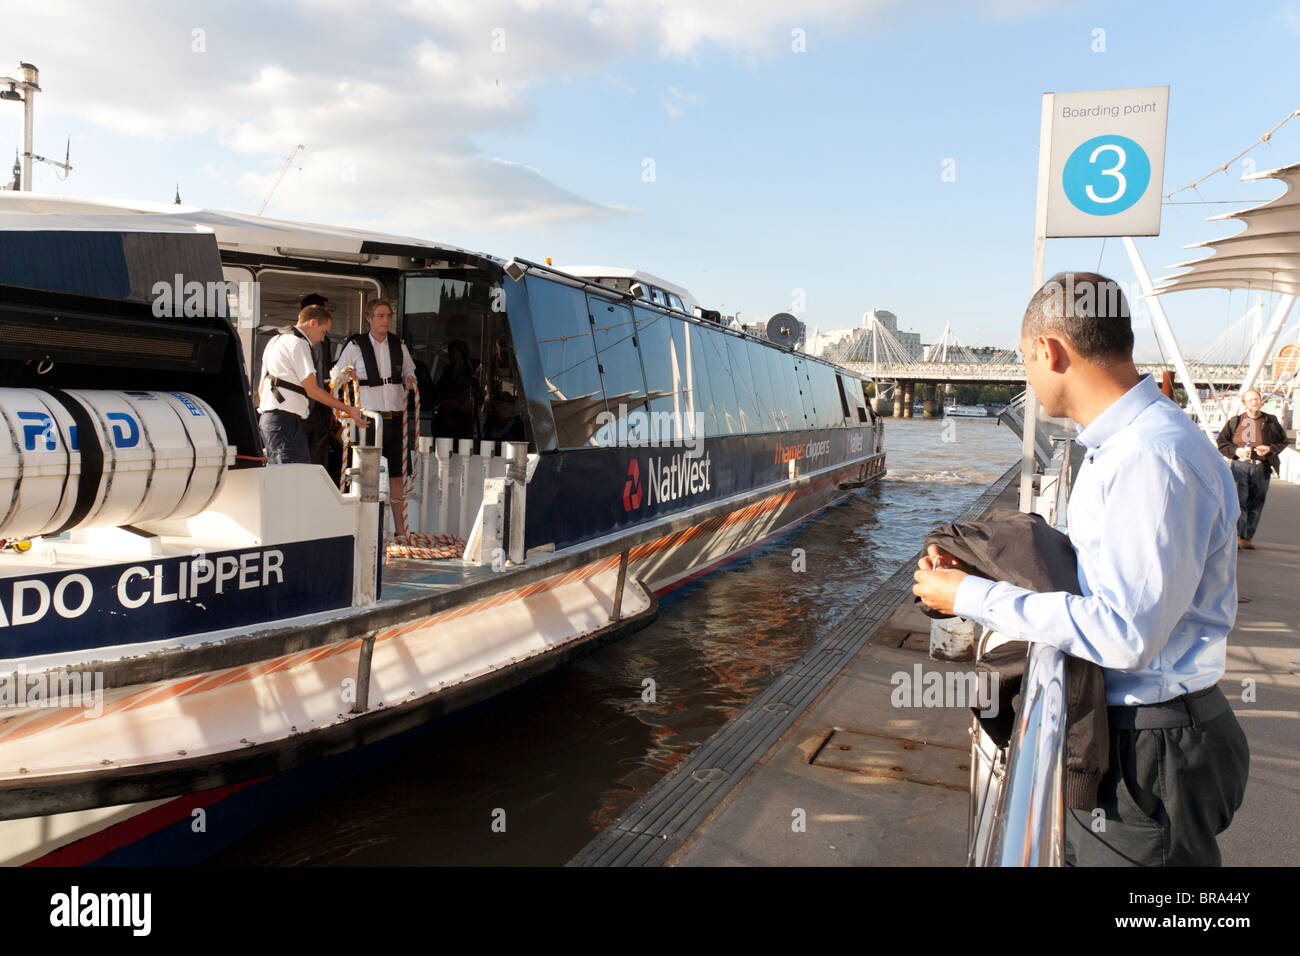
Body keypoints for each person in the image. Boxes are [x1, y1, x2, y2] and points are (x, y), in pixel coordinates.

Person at [913, 272, 1249, 867]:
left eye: (1025, 359)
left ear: (1049, 350)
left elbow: (1126, 632)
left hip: (1150, 747)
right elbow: (1105, 568)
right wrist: (986, 568)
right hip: (1150, 733)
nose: (1028, 375)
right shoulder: (1129, 445)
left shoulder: (1150, 459)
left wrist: (970, 596)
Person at [332, 299, 417, 536]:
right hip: (367, 420)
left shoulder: (398, 345)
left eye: (388, 316)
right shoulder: (356, 345)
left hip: (395, 418)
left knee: (397, 476)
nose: (386, 320)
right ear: (369, 318)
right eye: (380, 316)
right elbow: (336, 376)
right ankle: (365, 530)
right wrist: (345, 376)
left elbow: (409, 369)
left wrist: (409, 378)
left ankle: (401, 531)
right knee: (367, 476)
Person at [258, 305, 364, 464]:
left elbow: (261, 388)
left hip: (270, 420)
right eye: (323, 332)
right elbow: (312, 390)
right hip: (285, 421)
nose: (322, 339)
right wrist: (348, 409)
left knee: (283, 474)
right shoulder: (298, 344)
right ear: (312, 323)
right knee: (295, 474)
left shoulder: (275, 341)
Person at [1216, 388, 1289, 549]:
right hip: (1240, 465)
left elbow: (1283, 441)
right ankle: (1240, 536)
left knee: (1257, 502)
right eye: (1250, 400)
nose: (1254, 402)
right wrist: (1236, 451)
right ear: (1244, 403)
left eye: (1256, 399)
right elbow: (1222, 442)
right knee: (1240, 500)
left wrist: (1269, 449)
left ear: (1261, 401)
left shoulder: (1271, 421)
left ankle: (1249, 535)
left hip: (1261, 467)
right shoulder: (1235, 422)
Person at [299, 293, 336, 470]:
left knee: (319, 455)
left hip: (321, 405)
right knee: (300, 455)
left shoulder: (325, 341)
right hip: (302, 405)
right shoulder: (294, 342)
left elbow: (326, 371)